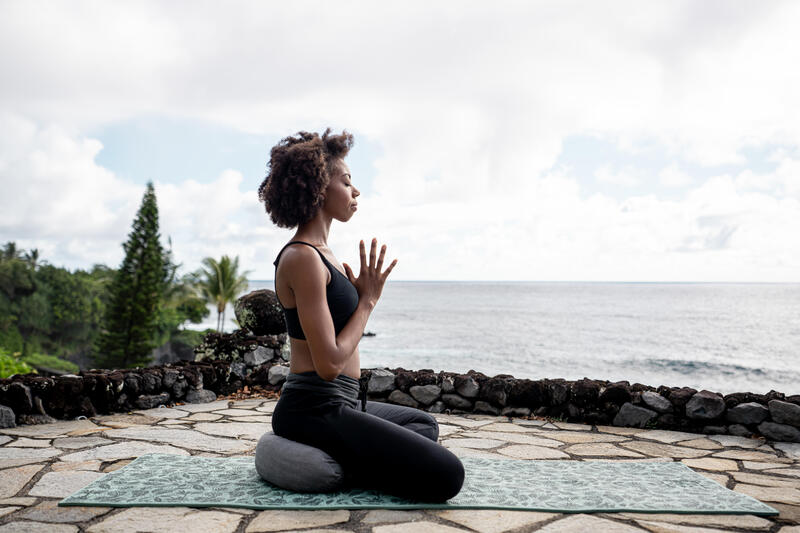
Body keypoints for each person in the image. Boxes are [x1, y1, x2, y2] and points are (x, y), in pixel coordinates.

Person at [257, 128, 465, 502]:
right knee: (448, 475)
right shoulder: (303, 257)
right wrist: (367, 302)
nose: (356, 192)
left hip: (346, 401)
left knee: (423, 424)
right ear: (319, 187)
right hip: (314, 406)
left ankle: (348, 464)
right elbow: (329, 364)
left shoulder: (325, 254)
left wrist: (354, 297)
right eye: (347, 181)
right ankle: (344, 463)